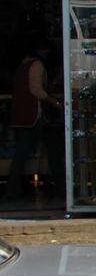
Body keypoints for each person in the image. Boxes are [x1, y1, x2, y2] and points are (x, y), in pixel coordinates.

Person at [6, 34, 61, 199]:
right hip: (33, 116)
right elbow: (36, 89)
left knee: (21, 155)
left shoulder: (23, 65)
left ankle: (13, 190)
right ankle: (61, 188)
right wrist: (54, 103)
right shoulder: (36, 65)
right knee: (54, 151)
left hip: (24, 116)